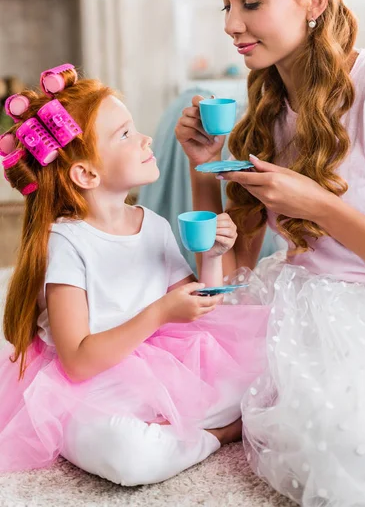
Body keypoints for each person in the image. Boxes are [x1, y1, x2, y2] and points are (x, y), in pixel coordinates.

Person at [175, 0, 365, 505]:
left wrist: (319, 206)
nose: (231, 23)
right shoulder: (268, 112)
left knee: (347, 449)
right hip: (283, 301)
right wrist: (204, 165)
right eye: (225, 3)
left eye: (250, 2)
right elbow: (226, 278)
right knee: (166, 385)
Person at [0, 64, 269, 486]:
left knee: (265, 380)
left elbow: (197, 304)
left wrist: (214, 256)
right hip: (89, 383)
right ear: (86, 174)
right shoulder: (66, 243)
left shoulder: (152, 224)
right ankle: (217, 435)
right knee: (130, 457)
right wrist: (161, 312)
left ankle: (179, 428)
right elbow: (78, 361)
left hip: (153, 366)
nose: (145, 139)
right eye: (124, 134)